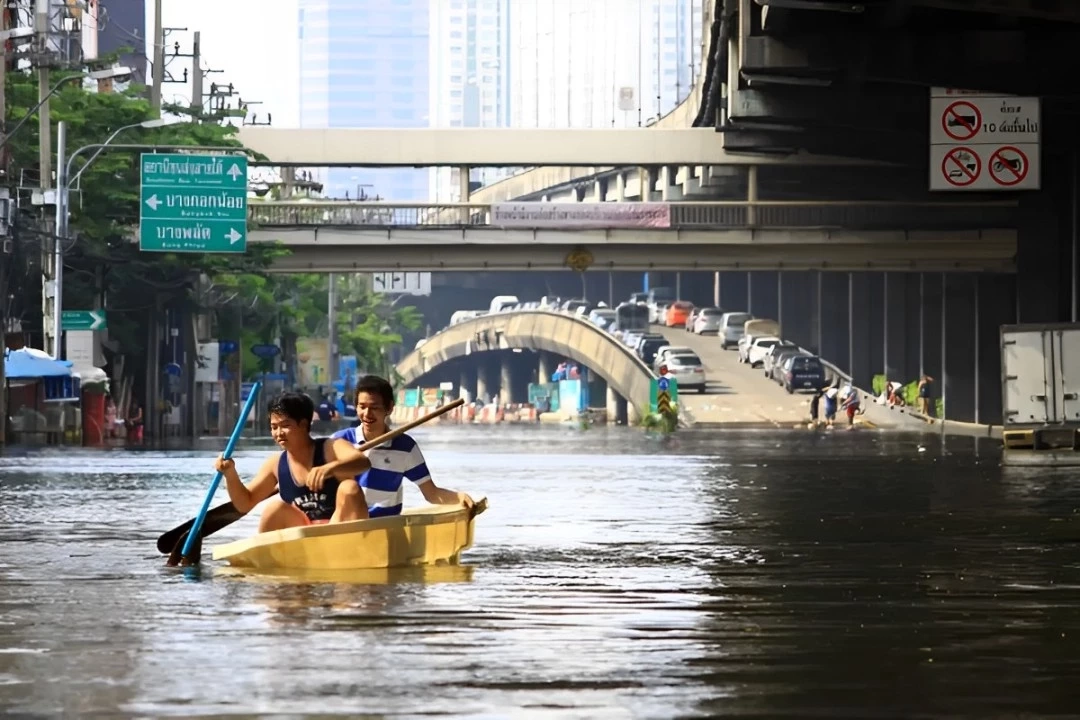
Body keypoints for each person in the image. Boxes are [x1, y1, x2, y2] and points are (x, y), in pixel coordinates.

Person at [213, 392, 375, 532]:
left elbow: (362, 462)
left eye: (285, 425)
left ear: (304, 424)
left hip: (338, 530)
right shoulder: (275, 464)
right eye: (274, 427)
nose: (278, 433)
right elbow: (244, 504)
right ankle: (267, 563)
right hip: (302, 535)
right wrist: (230, 474)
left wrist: (330, 469)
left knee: (350, 488)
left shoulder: (331, 447)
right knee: (273, 508)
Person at [331, 374, 474, 517]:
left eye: (374, 407)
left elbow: (432, 493)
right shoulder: (339, 442)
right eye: (362, 407)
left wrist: (460, 498)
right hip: (347, 524)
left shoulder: (406, 447)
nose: (367, 414)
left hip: (385, 525)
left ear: (389, 408)